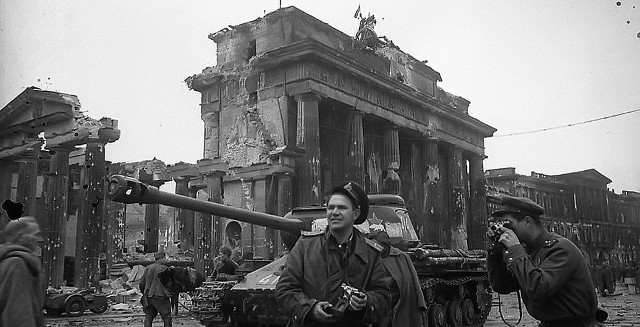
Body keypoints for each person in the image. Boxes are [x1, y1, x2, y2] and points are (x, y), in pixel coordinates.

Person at [275, 181, 390, 327]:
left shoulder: (370, 253)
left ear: (356, 214)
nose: (334, 212)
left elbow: (384, 296)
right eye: (331, 207)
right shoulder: (305, 245)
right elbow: (285, 289)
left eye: (342, 208)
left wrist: (366, 301)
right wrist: (310, 308)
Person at [487, 195, 605, 327]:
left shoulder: (560, 249)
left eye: (509, 224)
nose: (506, 230)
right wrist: (496, 251)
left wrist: (515, 249)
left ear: (527, 221)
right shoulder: (531, 251)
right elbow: (502, 285)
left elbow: (539, 287)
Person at [367, 231, 427, 327]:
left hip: (399, 304)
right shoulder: (367, 258)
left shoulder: (401, 257)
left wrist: (420, 303)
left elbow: (414, 281)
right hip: (377, 306)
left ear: (386, 245)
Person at [0, 216, 45, 327]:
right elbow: (18, 315)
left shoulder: (6, 261)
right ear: (21, 237)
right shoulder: (17, 264)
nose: (40, 239)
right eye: (35, 235)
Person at [139, 252, 172, 327]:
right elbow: (168, 284)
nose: (165, 260)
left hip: (148, 296)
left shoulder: (148, 268)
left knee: (148, 317)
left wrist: (144, 294)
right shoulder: (164, 269)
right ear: (161, 259)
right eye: (164, 258)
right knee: (167, 317)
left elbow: (141, 283)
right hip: (160, 296)